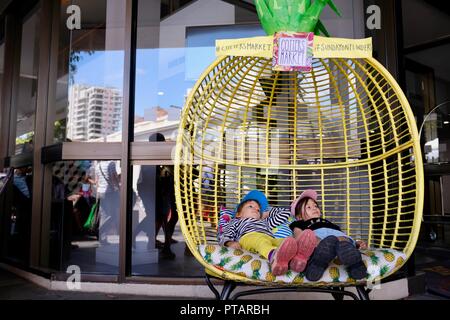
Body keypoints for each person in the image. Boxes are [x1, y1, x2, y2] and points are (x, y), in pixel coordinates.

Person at [218, 190, 317, 276]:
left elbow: (285, 214)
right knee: (261, 241)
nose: (255, 209)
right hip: (249, 237)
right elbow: (225, 234)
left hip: (270, 238)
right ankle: (275, 258)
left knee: (287, 241)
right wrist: (229, 243)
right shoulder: (236, 221)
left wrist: (267, 213)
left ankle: (299, 258)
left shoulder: (264, 222)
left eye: (258, 209)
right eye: (251, 206)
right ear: (238, 214)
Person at [289, 189, 368, 281]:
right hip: (319, 239)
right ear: (299, 217)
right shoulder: (299, 223)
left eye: (315, 206)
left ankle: (356, 265)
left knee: (342, 241)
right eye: (309, 207)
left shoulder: (328, 223)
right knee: (315, 240)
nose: (314, 208)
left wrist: (357, 243)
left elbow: (341, 234)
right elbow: (299, 236)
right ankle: (317, 265)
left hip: (338, 240)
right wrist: (306, 241)